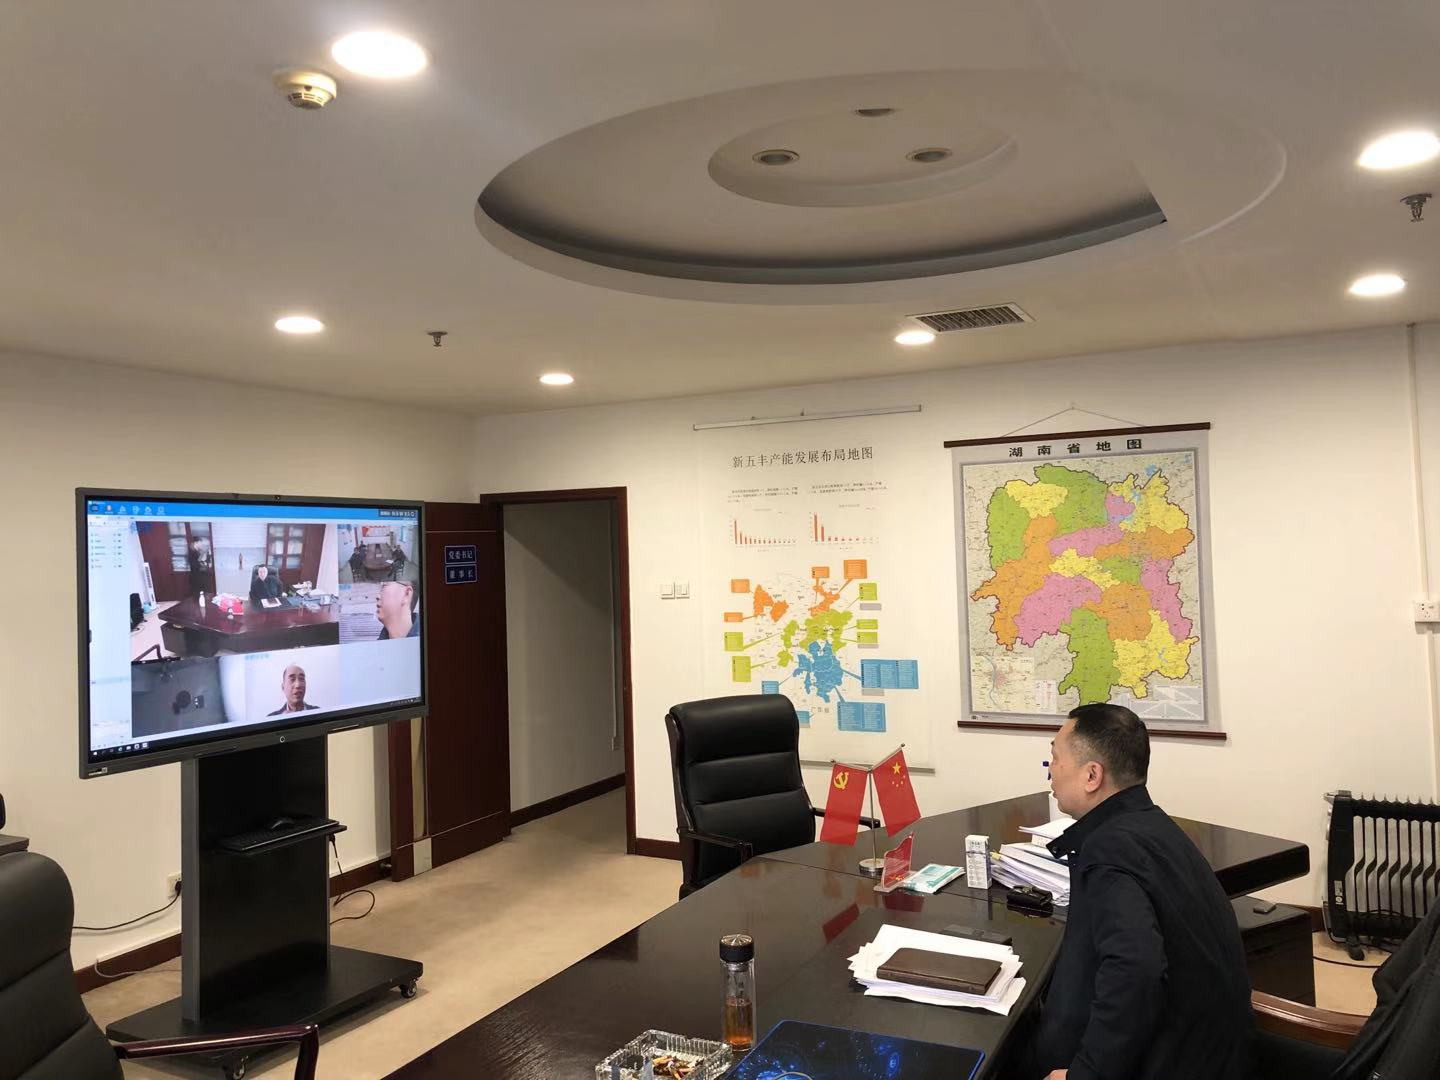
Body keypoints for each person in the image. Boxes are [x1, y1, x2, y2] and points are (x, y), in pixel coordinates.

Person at [1023, 703, 1252, 1080]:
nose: (1051, 770)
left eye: (1056, 758)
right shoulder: (1155, 828)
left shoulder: (1109, 849)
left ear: (1092, 775)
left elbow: (1136, 970)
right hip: (1214, 1055)